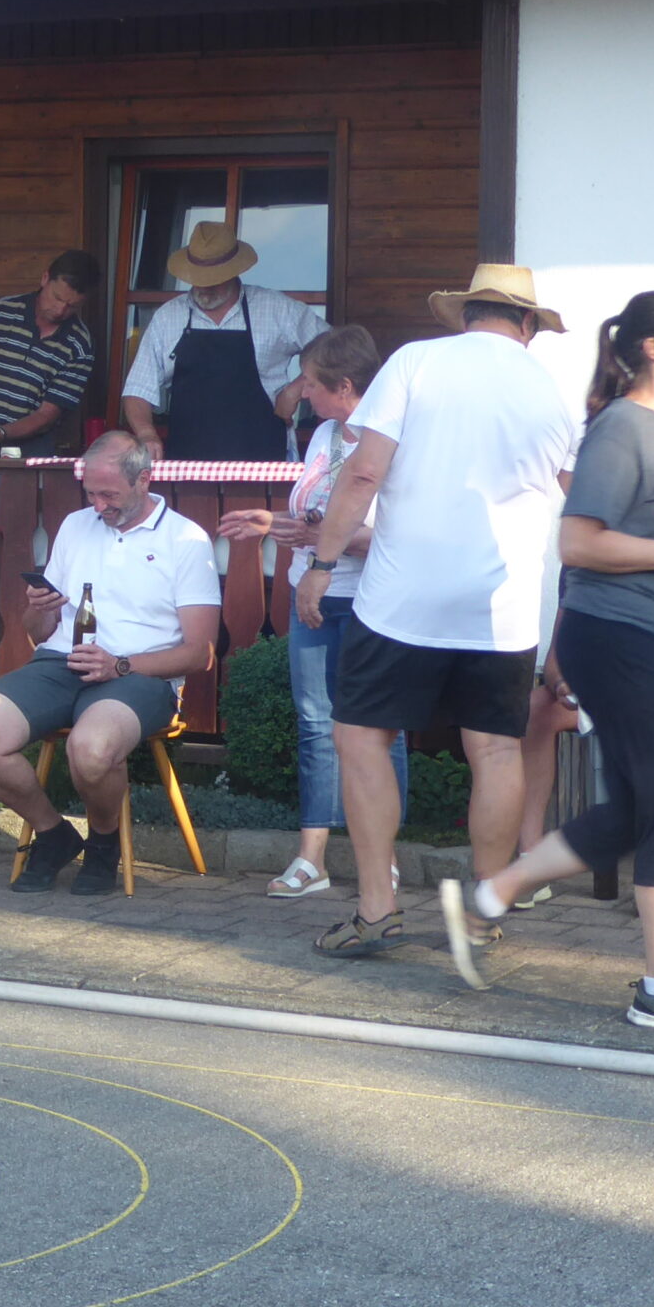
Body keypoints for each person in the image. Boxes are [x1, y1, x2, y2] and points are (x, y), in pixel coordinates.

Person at [441, 291, 654, 1031]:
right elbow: (578, 543)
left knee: (644, 809)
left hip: (638, 637)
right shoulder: (623, 429)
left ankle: (490, 895)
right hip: (618, 635)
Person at [295, 263, 579, 961]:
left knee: (361, 736)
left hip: (402, 598)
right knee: (495, 749)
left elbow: (364, 472)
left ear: (466, 314)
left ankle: (376, 909)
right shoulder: (550, 390)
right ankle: (482, 910)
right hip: (503, 605)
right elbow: (579, 498)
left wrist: (322, 565)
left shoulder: (415, 362)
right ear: (529, 325)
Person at [0, 433, 221, 895]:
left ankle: (103, 842)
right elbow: (39, 632)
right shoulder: (76, 525)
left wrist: (119, 666)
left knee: (91, 748)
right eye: (91, 493)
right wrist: (39, 607)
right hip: (62, 661)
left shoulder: (185, 539)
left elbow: (201, 653)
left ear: (144, 479)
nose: (98, 506)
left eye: (109, 495)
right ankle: (53, 834)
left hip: (140, 674)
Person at [216, 324, 405, 901]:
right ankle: (312, 858)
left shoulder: (394, 436)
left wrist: (325, 543)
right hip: (312, 594)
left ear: (344, 386)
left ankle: (384, 860)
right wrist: (274, 524)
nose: (302, 392)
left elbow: (397, 538)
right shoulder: (323, 433)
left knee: (383, 726)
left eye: (310, 383)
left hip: (374, 598)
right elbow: (317, 516)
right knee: (316, 723)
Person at [515, 604, 654, 909]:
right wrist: (564, 684)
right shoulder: (584, 573)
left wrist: (652, 609)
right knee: (538, 709)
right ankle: (529, 863)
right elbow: (556, 660)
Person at [120, 221, 326, 463]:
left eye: (213, 280)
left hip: (263, 460)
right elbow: (137, 390)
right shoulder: (168, 318)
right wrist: (146, 433)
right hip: (188, 464)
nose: (205, 287)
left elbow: (337, 348)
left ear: (233, 272)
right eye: (199, 279)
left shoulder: (275, 309)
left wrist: (297, 387)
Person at [0, 250, 100, 455]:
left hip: (33, 449)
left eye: (72, 306)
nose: (60, 310)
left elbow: (46, 415)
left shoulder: (81, 345)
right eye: (57, 298)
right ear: (45, 278)